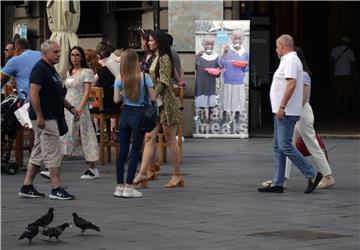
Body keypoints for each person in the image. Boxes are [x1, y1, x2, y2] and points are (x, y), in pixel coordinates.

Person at [262, 47, 335, 189]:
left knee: (310, 143)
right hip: (294, 112)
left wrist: (288, 109)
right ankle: (281, 179)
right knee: (288, 145)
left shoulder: (303, 75)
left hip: (300, 112)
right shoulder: (296, 73)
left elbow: (304, 97)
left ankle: (327, 176)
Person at [18, 40, 79, 200]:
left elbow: (58, 94)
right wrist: (39, 116)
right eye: (55, 52)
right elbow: (33, 93)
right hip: (45, 117)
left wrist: (71, 108)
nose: (59, 54)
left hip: (51, 115)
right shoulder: (40, 69)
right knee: (53, 152)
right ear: (46, 53)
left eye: (59, 51)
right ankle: (56, 188)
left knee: (38, 152)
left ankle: (27, 186)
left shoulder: (51, 69)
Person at [133, 30, 184, 188]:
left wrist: (153, 93)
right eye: (148, 40)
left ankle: (176, 175)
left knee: (170, 139)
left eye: (151, 40)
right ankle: (143, 172)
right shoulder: (152, 57)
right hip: (154, 103)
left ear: (159, 42)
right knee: (149, 137)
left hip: (166, 103)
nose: (148, 43)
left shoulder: (164, 58)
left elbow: (165, 81)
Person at [113, 49, 156, 198]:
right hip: (139, 115)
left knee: (122, 151)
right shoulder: (144, 77)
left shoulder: (119, 78)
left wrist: (125, 94)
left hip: (124, 115)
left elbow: (116, 100)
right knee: (135, 151)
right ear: (136, 61)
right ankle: (129, 187)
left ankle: (119, 186)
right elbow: (153, 97)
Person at [61, 46, 100, 180]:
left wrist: (80, 108)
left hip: (79, 106)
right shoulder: (69, 72)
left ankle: (93, 167)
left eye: (77, 55)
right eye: (72, 55)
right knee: (64, 134)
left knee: (85, 134)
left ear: (82, 57)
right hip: (67, 106)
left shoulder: (87, 71)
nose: (74, 57)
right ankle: (54, 166)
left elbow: (87, 92)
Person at [218, 29, 249, 123]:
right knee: (225, 102)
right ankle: (223, 121)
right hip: (227, 81)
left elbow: (246, 69)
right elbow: (220, 64)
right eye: (235, 38)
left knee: (237, 103)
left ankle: (236, 122)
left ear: (243, 39)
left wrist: (245, 65)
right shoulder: (227, 50)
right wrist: (225, 52)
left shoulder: (245, 53)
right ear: (231, 38)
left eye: (239, 38)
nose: (237, 41)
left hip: (239, 82)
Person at [194, 35, 220, 132]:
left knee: (211, 106)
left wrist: (218, 70)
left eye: (211, 44)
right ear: (203, 44)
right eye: (207, 44)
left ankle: (208, 124)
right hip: (201, 85)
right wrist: (196, 56)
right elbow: (194, 68)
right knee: (200, 106)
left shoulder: (216, 57)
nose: (209, 46)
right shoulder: (199, 57)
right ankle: (201, 122)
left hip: (211, 85)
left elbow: (218, 71)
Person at [330, 36, 357, 113]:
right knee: (347, 90)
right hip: (347, 73)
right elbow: (352, 64)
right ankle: (345, 105)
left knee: (338, 89)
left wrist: (331, 71)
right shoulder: (350, 51)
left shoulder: (335, 49)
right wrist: (355, 74)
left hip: (337, 72)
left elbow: (331, 61)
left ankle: (338, 105)